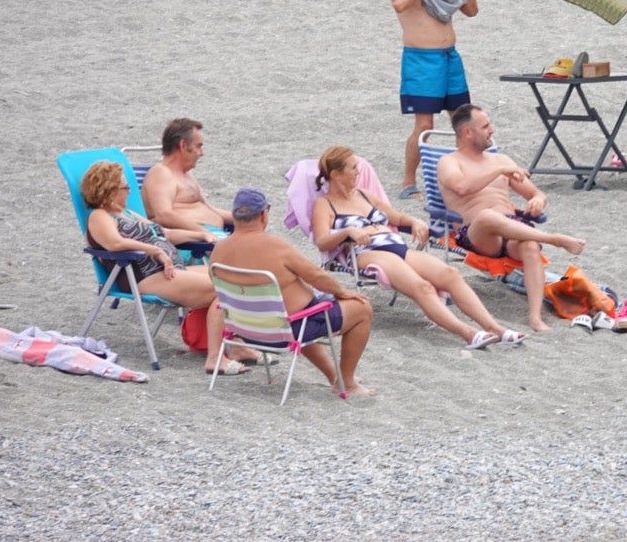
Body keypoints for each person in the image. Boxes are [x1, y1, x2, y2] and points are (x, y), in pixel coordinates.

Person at [311, 146, 526, 350]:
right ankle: (468, 333)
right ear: (336, 174)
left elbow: (396, 217)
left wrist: (414, 221)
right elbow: (321, 241)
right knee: (422, 287)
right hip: (368, 253)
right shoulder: (324, 204)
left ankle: (495, 328)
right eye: (353, 167)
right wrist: (347, 232)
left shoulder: (364, 195)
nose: (359, 171)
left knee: (450, 274)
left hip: (395, 245)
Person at [80, 160, 255, 375]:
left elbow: (164, 233)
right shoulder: (99, 216)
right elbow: (115, 243)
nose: (129, 192)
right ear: (108, 190)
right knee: (222, 288)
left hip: (171, 270)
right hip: (146, 276)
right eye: (125, 187)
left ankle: (235, 346)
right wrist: (155, 251)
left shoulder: (127, 213)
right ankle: (215, 358)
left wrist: (200, 234)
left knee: (233, 277)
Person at [211, 188, 376, 397]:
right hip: (285, 331)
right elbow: (316, 275)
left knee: (301, 309)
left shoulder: (219, 250)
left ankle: (335, 376)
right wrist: (341, 291)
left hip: (246, 332)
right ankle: (348, 383)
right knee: (362, 309)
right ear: (264, 215)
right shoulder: (274, 246)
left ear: (234, 215)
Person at [438, 104, 586, 332]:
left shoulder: (501, 160)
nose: (492, 131)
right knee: (487, 216)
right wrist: (499, 171)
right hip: (477, 233)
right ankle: (553, 239)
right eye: (486, 126)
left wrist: (537, 200)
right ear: (468, 132)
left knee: (528, 245)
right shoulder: (449, 162)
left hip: (512, 228)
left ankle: (535, 317)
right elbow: (462, 187)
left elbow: (535, 192)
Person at [390, 0, 478, 200]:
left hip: (450, 57)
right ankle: (408, 182)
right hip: (421, 60)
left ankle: (464, 176)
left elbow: (471, 11)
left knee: (463, 121)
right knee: (424, 124)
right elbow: (399, 3)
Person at [142, 118, 232, 235]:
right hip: (193, 243)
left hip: (211, 236)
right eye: (198, 146)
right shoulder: (160, 174)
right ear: (183, 145)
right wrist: (203, 232)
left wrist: (245, 217)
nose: (201, 153)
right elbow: (164, 215)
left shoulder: (187, 174)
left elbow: (209, 209)